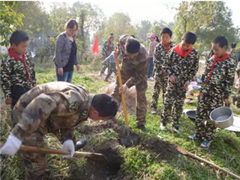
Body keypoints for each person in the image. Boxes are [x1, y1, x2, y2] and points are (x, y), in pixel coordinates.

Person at [0, 81, 118, 180]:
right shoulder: (74, 101)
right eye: (102, 119)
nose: (100, 121)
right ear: (95, 113)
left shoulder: (88, 102)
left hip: (45, 115)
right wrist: (17, 136)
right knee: (37, 161)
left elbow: (68, 118)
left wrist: (68, 140)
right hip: (27, 114)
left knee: (43, 147)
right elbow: (41, 102)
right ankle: (36, 175)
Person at [188, 36, 235, 149]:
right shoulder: (211, 59)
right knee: (200, 114)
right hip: (205, 92)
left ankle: (207, 138)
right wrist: (201, 90)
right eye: (213, 49)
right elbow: (205, 76)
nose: (214, 52)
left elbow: (229, 82)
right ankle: (199, 134)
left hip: (217, 95)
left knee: (211, 118)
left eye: (217, 49)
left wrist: (226, 97)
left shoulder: (230, 63)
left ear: (224, 48)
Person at [161, 31, 199, 133]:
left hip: (183, 85)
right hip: (172, 83)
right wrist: (170, 75)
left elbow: (194, 70)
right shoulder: (174, 51)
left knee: (179, 105)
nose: (185, 47)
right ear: (181, 39)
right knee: (168, 102)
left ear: (192, 45)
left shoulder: (194, 54)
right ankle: (164, 122)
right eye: (184, 45)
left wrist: (188, 81)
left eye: (188, 46)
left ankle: (175, 124)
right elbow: (166, 65)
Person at [112, 35, 149, 132]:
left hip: (139, 73)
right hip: (125, 69)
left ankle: (141, 122)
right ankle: (111, 115)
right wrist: (117, 52)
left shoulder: (144, 56)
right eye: (129, 54)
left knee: (141, 97)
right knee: (117, 91)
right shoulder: (122, 40)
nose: (132, 57)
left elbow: (140, 75)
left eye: (134, 55)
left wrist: (127, 85)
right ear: (125, 47)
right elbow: (118, 46)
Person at [1, 30, 36, 109]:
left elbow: (32, 69)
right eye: (23, 46)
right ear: (14, 45)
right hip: (17, 91)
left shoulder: (27, 55)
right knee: (18, 110)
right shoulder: (8, 60)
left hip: (29, 88)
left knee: (30, 109)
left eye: (26, 46)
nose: (25, 49)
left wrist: (34, 83)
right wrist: (8, 95)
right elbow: (5, 79)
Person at [151, 28, 175, 115]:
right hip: (159, 73)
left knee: (167, 92)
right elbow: (155, 60)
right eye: (162, 37)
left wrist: (169, 71)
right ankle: (153, 107)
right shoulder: (158, 47)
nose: (164, 39)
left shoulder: (173, 47)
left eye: (166, 37)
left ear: (170, 37)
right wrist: (161, 69)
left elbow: (174, 61)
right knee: (156, 91)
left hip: (169, 75)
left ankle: (166, 109)